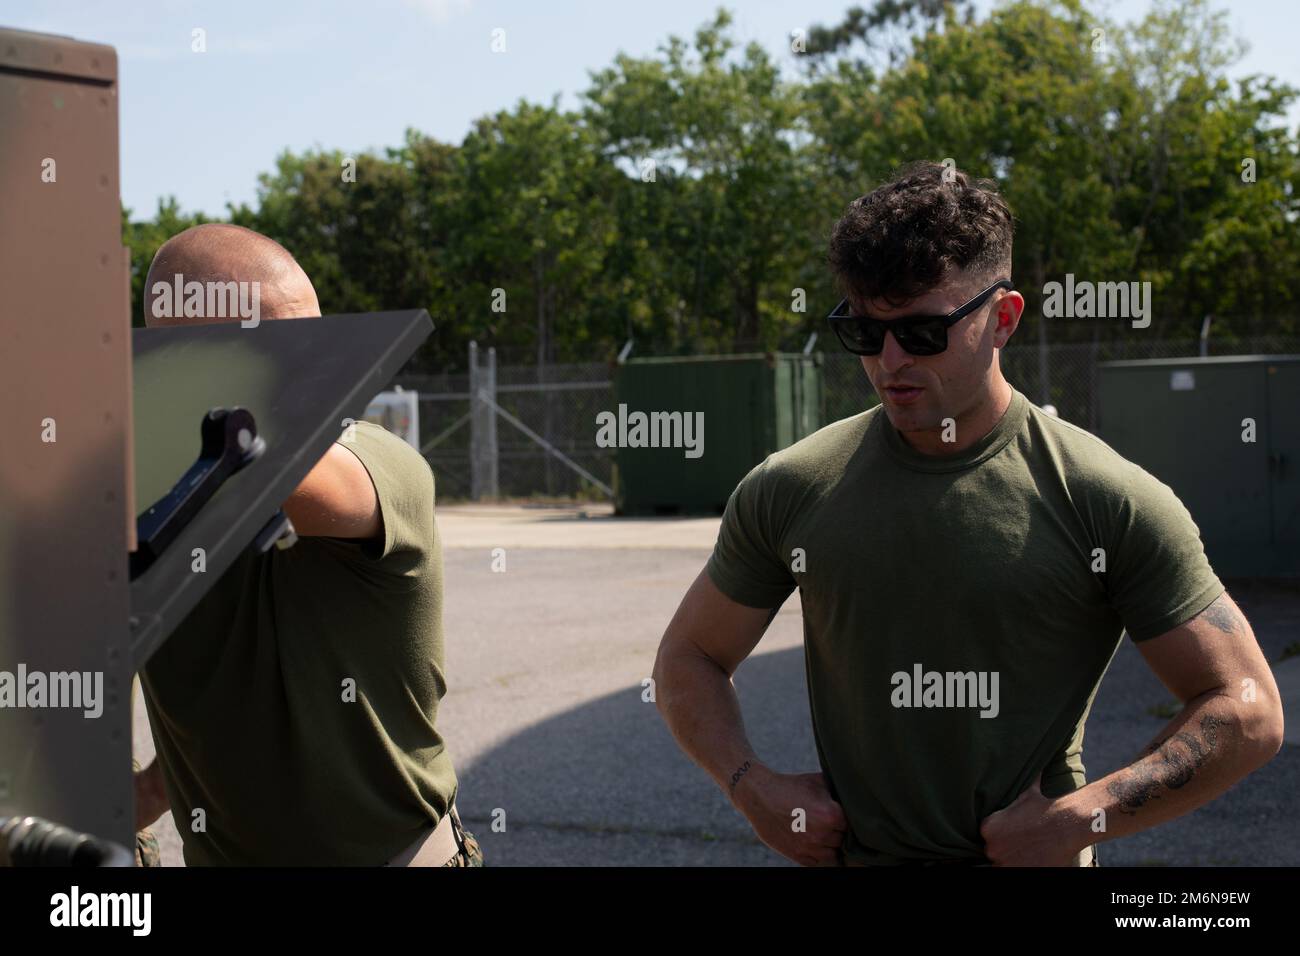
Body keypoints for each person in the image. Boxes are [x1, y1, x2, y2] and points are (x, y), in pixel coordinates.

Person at [652, 161, 1285, 867]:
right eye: (864, 331)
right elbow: (688, 658)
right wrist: (752, 787)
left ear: (1003, 319)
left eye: (923, 333)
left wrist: (1084, 818)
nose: (890, 361)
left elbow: (1247, 706)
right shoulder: (793, 485)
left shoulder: (1104, 497)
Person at [133, 223, 480, 866]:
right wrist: (149, 792)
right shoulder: (138, 495)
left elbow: (297, 476)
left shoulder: (375, 465)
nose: (318, 371)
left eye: (316, 339)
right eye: (280, 348)